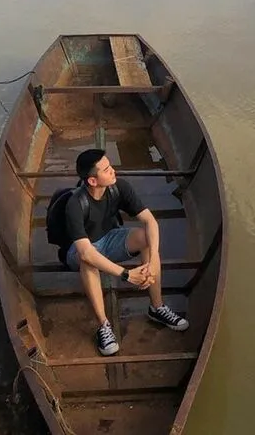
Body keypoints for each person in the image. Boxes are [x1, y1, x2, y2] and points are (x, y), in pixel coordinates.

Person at [64, 147, 189, 357]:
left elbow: (150, 221)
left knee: (145, 238)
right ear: (92, 181)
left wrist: (153, 260)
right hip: (82, 251)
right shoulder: (75, 204)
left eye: (110, 165)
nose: (113, 171)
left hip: (111, 239)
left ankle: (157, 308)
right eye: (106, 169)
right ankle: (104, 326)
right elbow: (85, 251)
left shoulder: (118, 187)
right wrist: (127, 274)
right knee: (88, 261)